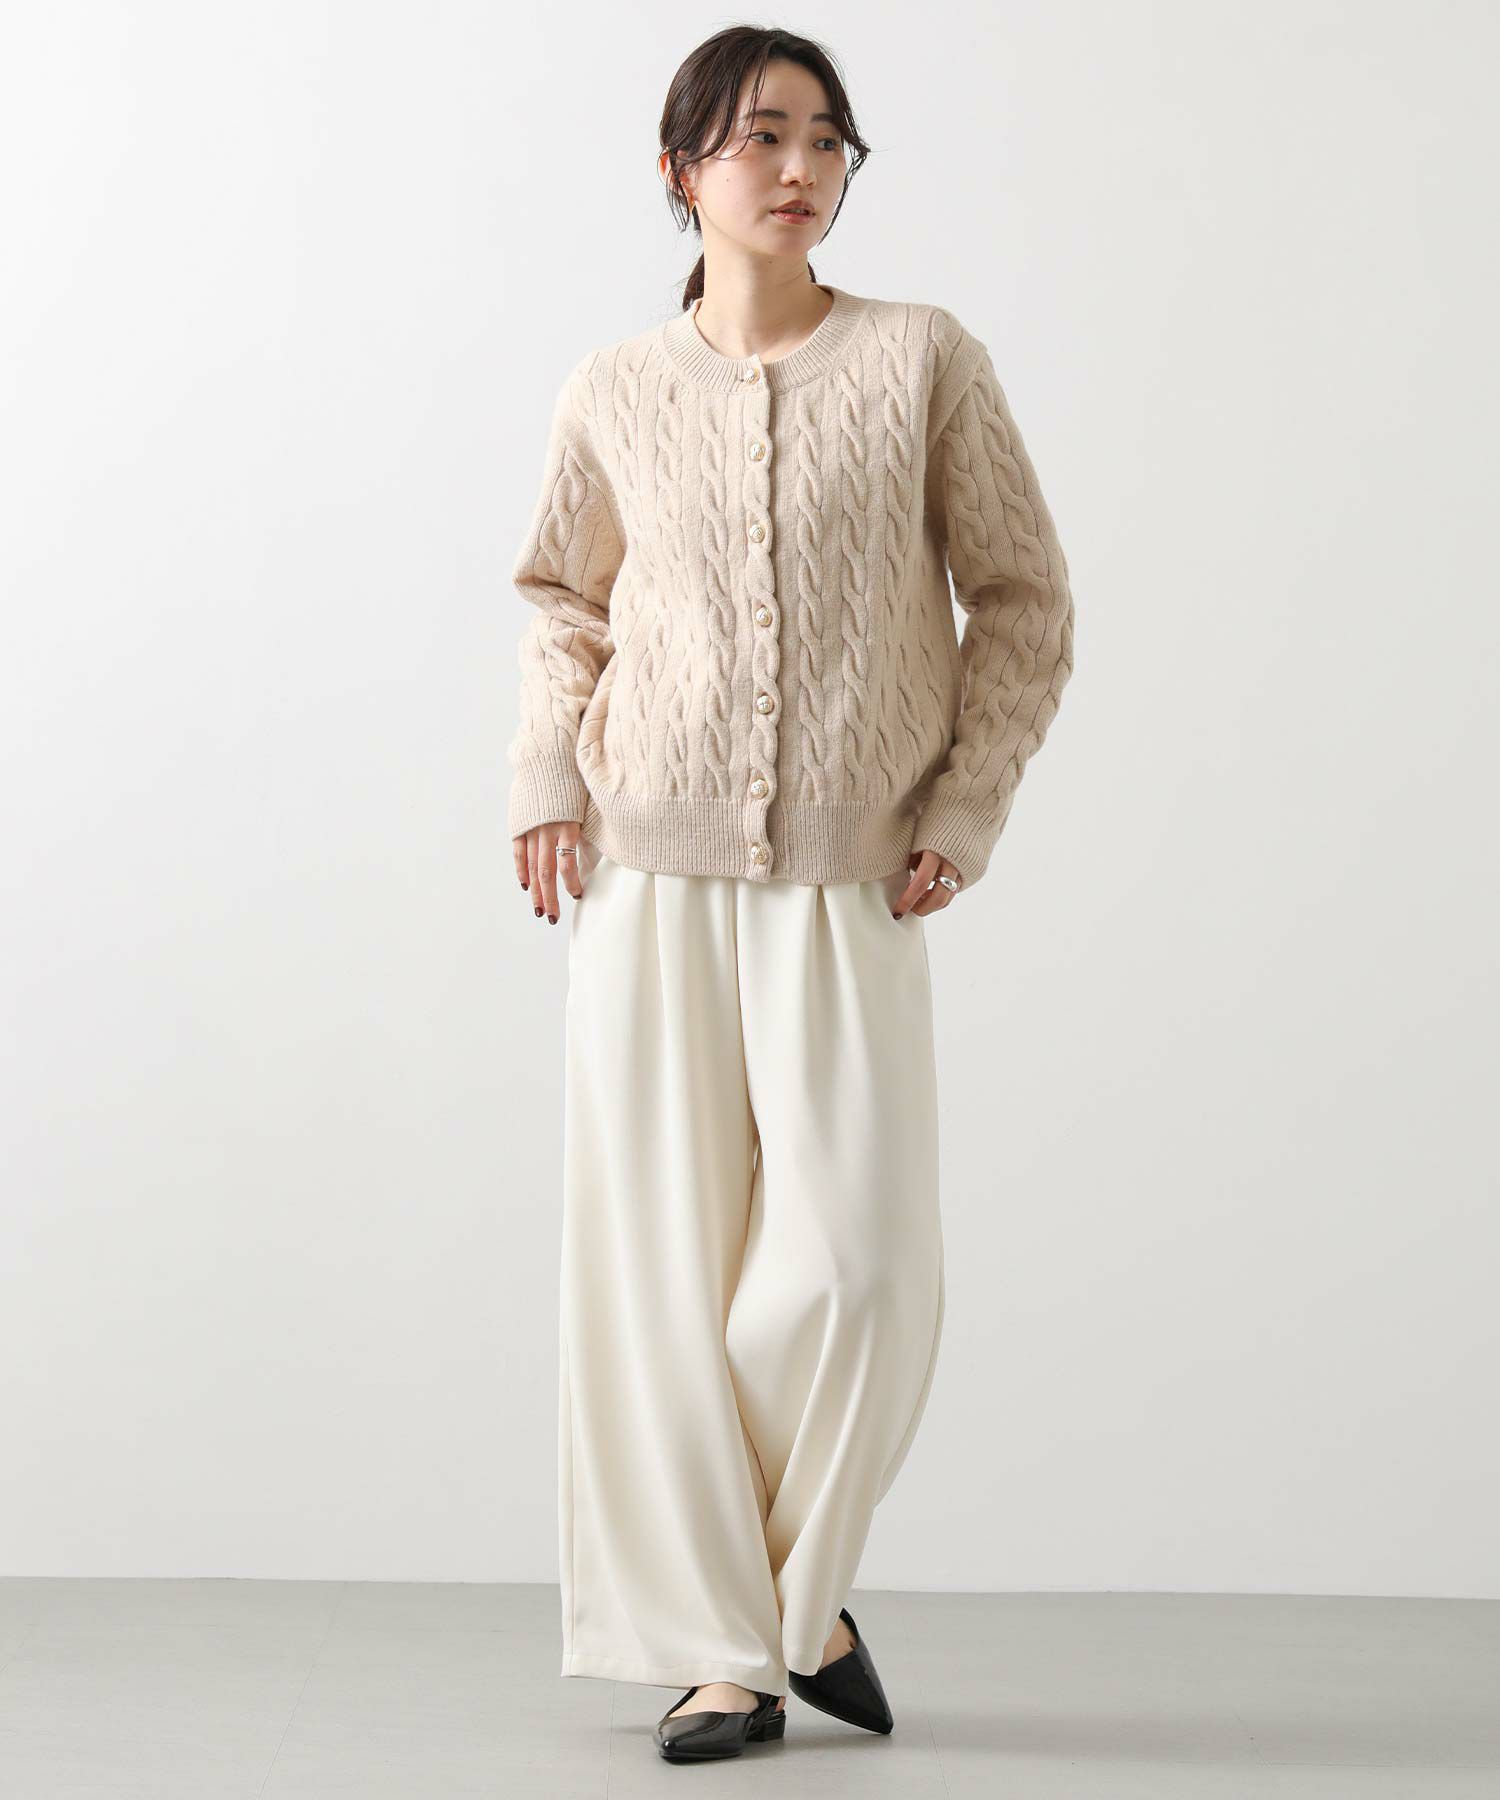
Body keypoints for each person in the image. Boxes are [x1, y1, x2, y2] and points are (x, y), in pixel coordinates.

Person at [506, 24, 1076, 1766]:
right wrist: (544, 780)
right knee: (659, 1278)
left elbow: (1024, 600)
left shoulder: (922, 361)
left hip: (853, 875)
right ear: (680, 170)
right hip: (646, 869)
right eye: (760, 136)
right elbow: (562, 602)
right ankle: (735, 1646)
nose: (800, 166)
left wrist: (964, 806)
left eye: (828, 138)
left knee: (856, 1269)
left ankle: (778, 1597)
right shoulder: (614, 388)